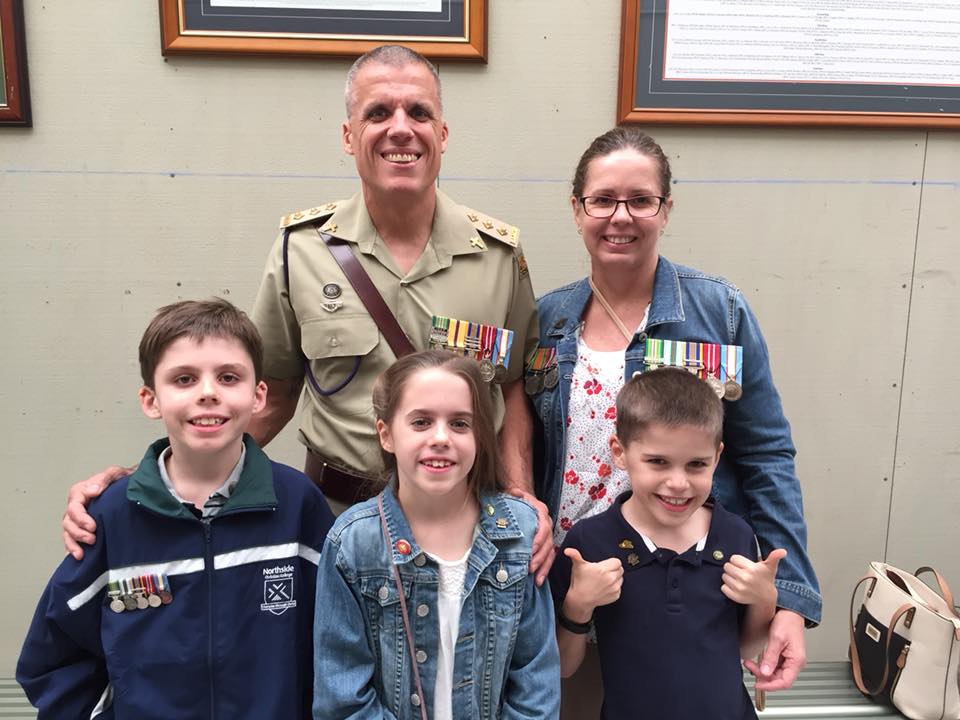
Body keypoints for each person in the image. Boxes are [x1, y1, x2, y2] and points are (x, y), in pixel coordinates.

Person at [60, 44, 553, 582]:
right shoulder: (302, 250)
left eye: (419, 112)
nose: (400, 129)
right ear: (348, 136)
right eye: (378, 113)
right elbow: (268, 395)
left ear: (443, 133)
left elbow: (510, 391)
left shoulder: (498, 256)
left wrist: (520, 496)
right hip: (335, 522)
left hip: (468, 522)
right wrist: (156, 478)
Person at [529, 127, 820, 712]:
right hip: (575, 588)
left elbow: (766, 455)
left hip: (685, 589)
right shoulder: (548, 320)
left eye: (641, 200)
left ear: (665, 208)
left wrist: (788, 600)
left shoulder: (718, 312)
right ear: (577, 209)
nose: (621, 216)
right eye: (603, 200)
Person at [17, 299, 334, 719]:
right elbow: (54, 656)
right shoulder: (112, 517)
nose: (208, 393)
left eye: (228, 377)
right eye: (184, 379)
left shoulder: (297, 504)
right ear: (151, 400)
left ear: (259, 395)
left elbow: (340, 640)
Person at [313, 349, 560, 719]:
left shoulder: (522, 534)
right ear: (386, 435)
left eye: (460, 423)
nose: (441, 437)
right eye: (421, 422)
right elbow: (342, 698)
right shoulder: (352, 544)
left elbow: (536, 683)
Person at [550, 368, 785, 719]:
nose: (678, 482)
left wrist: (765, 600)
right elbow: (563, 667)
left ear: (717, 457)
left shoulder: (735, 536)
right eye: (658, 462)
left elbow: (743, 649)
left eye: (696, 464)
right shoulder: (589, 543)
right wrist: (578, 607)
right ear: (619, 451)